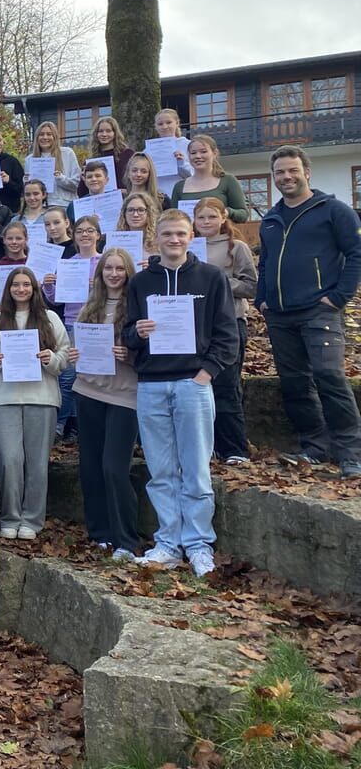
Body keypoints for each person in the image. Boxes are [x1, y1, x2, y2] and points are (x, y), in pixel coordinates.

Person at [125, 209, 238, 575]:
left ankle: (199, 544)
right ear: (155, 238)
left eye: (181, 234)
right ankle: (168, 544)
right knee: (160, 471)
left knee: (196, 469)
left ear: (191, 237)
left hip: (193, 384)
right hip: (152, 385)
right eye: (167, 234)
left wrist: (205, 375)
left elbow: (226, 334)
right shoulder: (141, 282)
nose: (174, 240)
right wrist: (137, 333)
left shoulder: (210, 277)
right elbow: (127, 335)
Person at [257, 146, 361, 477]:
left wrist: (339, 297)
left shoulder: (333, 210)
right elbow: (266, 264)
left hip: (320, 311)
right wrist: (263, 299)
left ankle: (351, 453)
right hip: (280, 315)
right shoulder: (271, 219)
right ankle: (314, 447)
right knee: (295, 384)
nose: (286, 177)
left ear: (306, 172)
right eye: (279, 173)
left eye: (292, 170)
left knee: (330, 377)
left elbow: (356, 253)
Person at [0, 267, 70, 541]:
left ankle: (32, 519)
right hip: (5, 398)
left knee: (36, 463)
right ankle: (10, 516)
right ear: (8, 289)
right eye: (15, 285)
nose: (21, 290)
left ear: (34, 288)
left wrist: (50, 359)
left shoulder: (50, 318)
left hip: (42, 398)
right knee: (9, 460)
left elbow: (64, 356)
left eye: (26, 285)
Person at [72, 249, 140, 560]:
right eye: (108, 268)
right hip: (88, 391)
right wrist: (74, 356)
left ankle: (126, 539)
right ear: (99, 273)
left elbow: (150, 351)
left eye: (119, 269)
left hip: (125, 395)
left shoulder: (136, 306)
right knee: (90, 468)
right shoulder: (90, 306)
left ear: (128, 272)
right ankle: (99, 533)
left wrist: (131, 355)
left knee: (114, 468)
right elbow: (79, 346)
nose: (113, 274)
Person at [192, 197, 256, 465]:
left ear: (223, 217)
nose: (206, 222)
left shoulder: (236, 247)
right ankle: (211, 445)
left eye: (211, 217)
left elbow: (251, 286)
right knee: (201, 387)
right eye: (201, 218)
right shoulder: (189, 247)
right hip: (197, 326)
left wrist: (218, 282)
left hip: (230, 324)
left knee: (227, 386)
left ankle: (235, 448)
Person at [42, 215, 101, 440]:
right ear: (74, 236)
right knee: (67, 378)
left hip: (97, 325)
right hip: (71, 323)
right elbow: (57, 300)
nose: (85, 235)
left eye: (89, 231)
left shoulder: (104, 261)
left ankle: (81, 425)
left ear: (98, 235)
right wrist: (48, 286)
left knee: (91, 376)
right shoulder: (67, 264)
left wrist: (98, 286)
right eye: (80, 231)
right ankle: (60, 426)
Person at [172, 134, 249, 222]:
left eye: (203, 152)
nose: (198, 156)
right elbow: (173, 218)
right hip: (190, 235)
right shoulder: (179, 186)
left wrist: (226, 212)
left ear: (214, 153)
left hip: (221, 234)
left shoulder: (228, 181)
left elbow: (243, 215)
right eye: (193, 153)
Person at [28, 121, 79, 209]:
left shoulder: (67, 153)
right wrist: (26, 181)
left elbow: (77, 184)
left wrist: (61, 178)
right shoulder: (29, 159)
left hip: (64, 205)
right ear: (37, 137)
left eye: (49, 134)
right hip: (41, 207)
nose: (45, 137)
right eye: (41, 134)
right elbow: (28, 190)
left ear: (55, 137)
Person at [78, 116, 135, 196]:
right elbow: (81, 193)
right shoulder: (91, 161)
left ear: (115, 133)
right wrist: (84, 180)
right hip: (101, 203)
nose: (104, 134)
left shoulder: (128, 154)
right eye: (101, 131)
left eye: (108, 131)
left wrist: (127, 191)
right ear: (96, 134)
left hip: (125, 200)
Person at [152, 108, 192, 196]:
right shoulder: (149, 149)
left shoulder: (188, 145)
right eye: (160, 124)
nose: (164, 126)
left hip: (182, 193)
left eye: (169, 122)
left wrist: (182, 163)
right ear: (156, 127)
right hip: (158, 196)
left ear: (177, 123)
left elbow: (196, 174)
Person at [116, 193, 159, 268]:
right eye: (130, 210)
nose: (135, 214)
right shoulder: (114, 241)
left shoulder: (159, 241)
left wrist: (154, 267)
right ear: (124, 214)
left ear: (149, 213)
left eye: (141, 210)